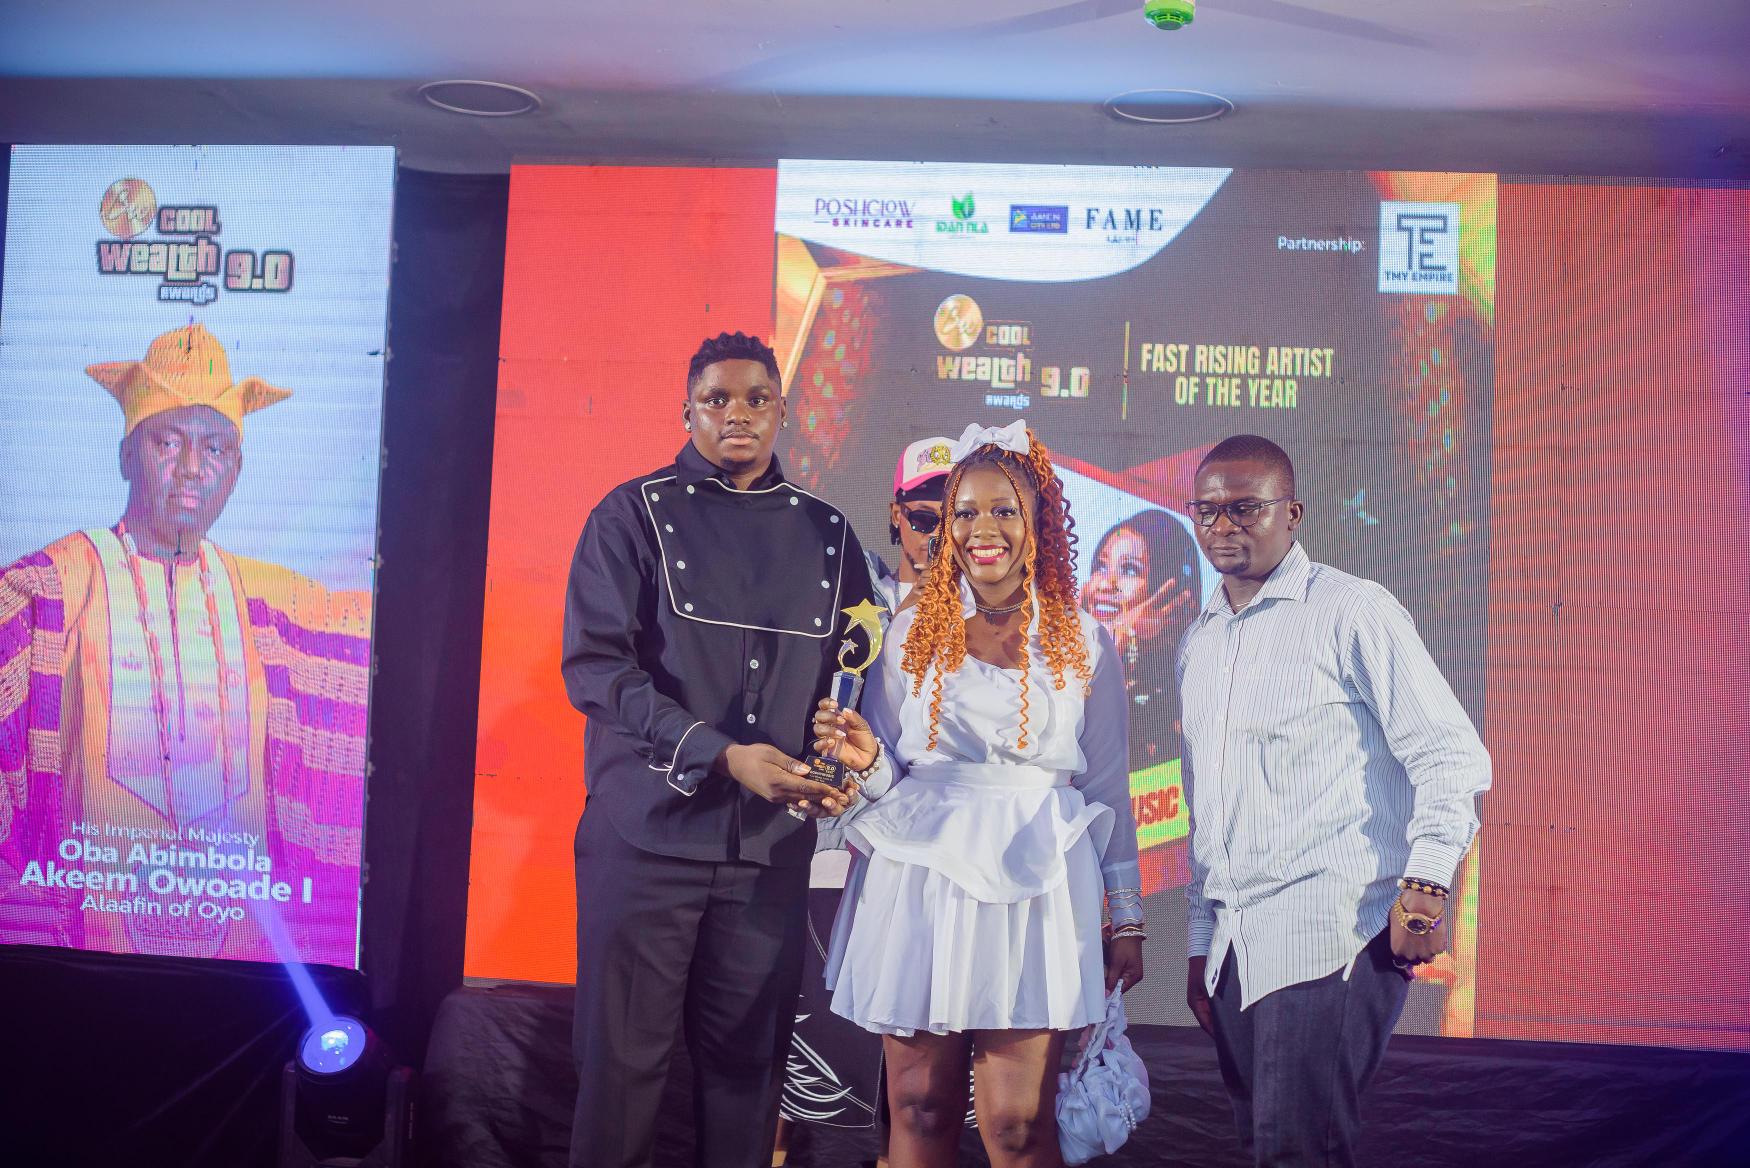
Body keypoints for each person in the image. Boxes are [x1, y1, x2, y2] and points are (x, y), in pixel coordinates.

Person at [562, 331, 876, 1168]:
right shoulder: (629, 515)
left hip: (767, 855)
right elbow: (596, 670)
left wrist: (837, 759)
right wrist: (720, 754)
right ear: (687, 411)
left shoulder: (829, 533)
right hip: (645, 841)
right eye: (717, 400)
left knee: (748, 1086)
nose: (738, 414)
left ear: (782, 410)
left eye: (756, 398)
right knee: (620, 1077)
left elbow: (851, 680)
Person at [816, 419, 1144, 1168]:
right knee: (919, 1107)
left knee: (1017, 1125)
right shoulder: (908, 633)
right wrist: (863, 763)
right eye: (964, 511)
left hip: (1037, 889)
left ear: (1040, 523)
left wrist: (1126, 918)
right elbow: (884, 779)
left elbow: (1106, 786)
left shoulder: (1085, 641)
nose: (981, 529)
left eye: (1004, 510)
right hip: (921, 881)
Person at [0, 323, 369, 965]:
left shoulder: (267, 605)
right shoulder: (55, 587)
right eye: (168, 441)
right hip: (80, 961)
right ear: (126, 455)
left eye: (216, 447)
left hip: (239, 971)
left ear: (237, 469)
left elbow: (370, 648)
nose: (193, 468)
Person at [1176, 434, 1491, 1168]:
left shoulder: (1352, 609)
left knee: (1299, 1152)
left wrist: (1425, 886)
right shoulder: (1201, 639)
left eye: (1245, 508)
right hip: (1235, 944)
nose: (1223, 526)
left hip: (1331, 928)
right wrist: (1200, 942)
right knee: (1267, 1149)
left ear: (1293, 513)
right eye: (1207, 511)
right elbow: (1206, 809)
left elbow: (1449, 752)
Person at [779, 434, 955, 1166]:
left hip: (930, 870)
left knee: (910, 1092)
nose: (938, 532)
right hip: (831, 857)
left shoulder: (996, 621)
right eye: (923, 515)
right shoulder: (851, 601)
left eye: (955, 514)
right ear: (894, 514)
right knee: (789, 1078)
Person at [1080, 509, 1202, 770]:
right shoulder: (1060, 664)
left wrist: (1124, 643)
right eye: (1101, 566)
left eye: (1129, 570)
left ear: (1172, 594)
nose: (1105, 584)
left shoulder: (1186, 695)